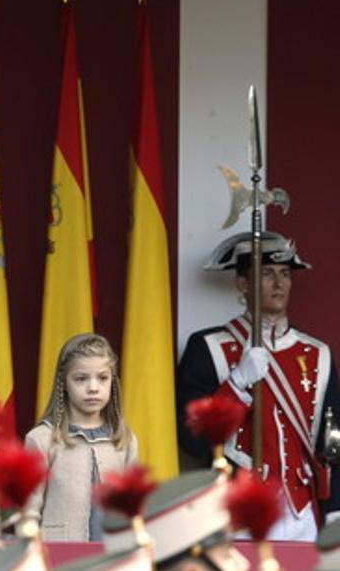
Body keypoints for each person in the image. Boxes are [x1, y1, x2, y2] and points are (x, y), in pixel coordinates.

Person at [176, 231, 340, 541]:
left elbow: (334, 445)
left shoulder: (318, 354)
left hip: (303, 513)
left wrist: (336, 510)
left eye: (284, 274)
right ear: (242, 283)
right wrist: (237, 383)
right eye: (266, 274)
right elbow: (193, 440)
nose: (279, 284)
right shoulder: (209, 347)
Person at [24, 333, 138, 542]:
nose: (93, 388)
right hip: (59, 556)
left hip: (112, 556)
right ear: (64, 383)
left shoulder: (124, 439)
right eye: (81, 378)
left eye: (103, 378)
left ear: (112, 381)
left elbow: (132, 507)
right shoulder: (41, 440)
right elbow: (29, 512)